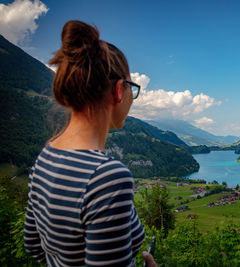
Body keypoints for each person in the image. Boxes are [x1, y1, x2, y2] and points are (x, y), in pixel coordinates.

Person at [24, 20, 157, 267]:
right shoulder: (106, 177)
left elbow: (33, 245)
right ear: (119, 90)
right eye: (132, 88)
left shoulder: (45, 157)